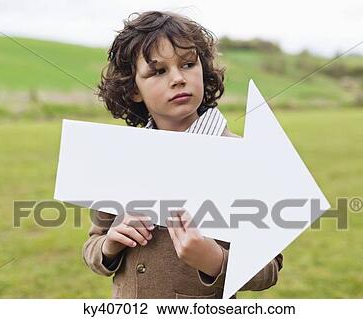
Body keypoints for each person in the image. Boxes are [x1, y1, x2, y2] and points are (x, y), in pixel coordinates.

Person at [83, 10, 283, 299]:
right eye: (158, 71)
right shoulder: (123, 156)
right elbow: (93, 246)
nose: (178, 78)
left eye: (188, 64)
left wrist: (213, 260)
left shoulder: (245, 159)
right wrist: (110, 245)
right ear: (134, 89)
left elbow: (270, 268)